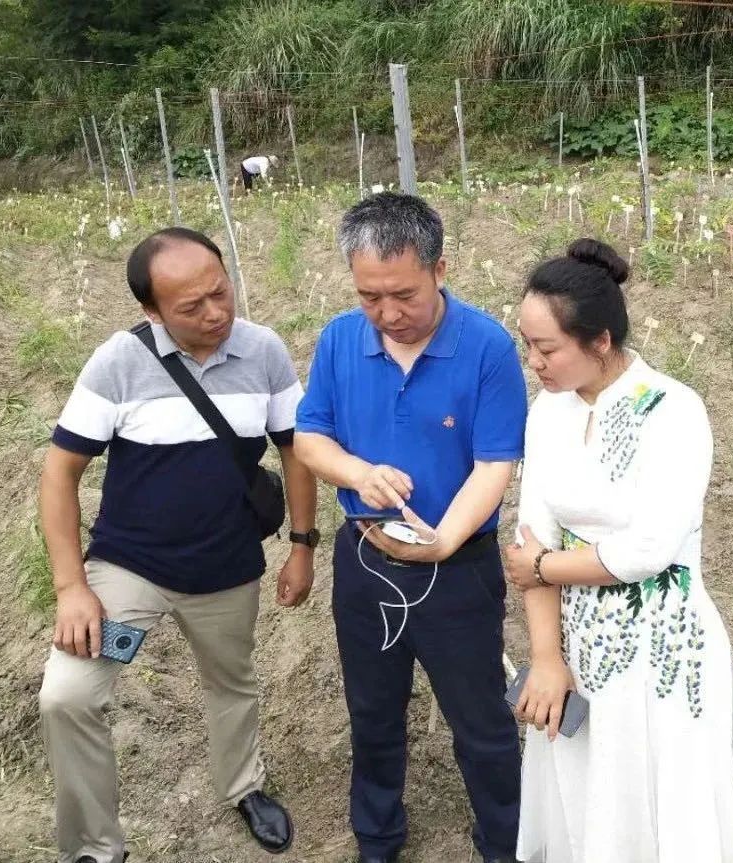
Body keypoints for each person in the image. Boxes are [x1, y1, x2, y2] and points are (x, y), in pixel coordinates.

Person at [37, 226, 319, 863]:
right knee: (68, 695)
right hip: (129, 574)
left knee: (232, 682)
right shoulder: (118, 362)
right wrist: (71, 587)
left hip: (226, 570)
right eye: (191, 307)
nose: (215, 313)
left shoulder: (265, 352)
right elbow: (60, 473)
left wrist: (302, 543)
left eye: (221, 293)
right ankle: (95, 847)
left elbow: (296, 450)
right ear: (152, 311)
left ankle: (244, 786)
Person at [504, 238, 733, 863]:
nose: (533, 363)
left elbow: (649, 550)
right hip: (579, 639)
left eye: (547, 349)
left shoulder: (673, 410)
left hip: (663, 645)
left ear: (599, 342)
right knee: (589, 791)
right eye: (528, 345)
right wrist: (546, 657)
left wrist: (542, 567)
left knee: (660, 799)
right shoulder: (549, 411)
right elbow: (530, 530)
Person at [293, 192, 527, 863]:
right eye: (370, 296)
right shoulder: (341, 338)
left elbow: (494, 462)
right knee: (372, 710)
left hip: (459, 569)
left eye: (403, 294)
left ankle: (506, 840)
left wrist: (446, 540)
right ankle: (377, 835)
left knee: (480, 719)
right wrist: (358, 472)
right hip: (365, 561)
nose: (388, 313)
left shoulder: (485, 345)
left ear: (440, 268)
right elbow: (311, 436)